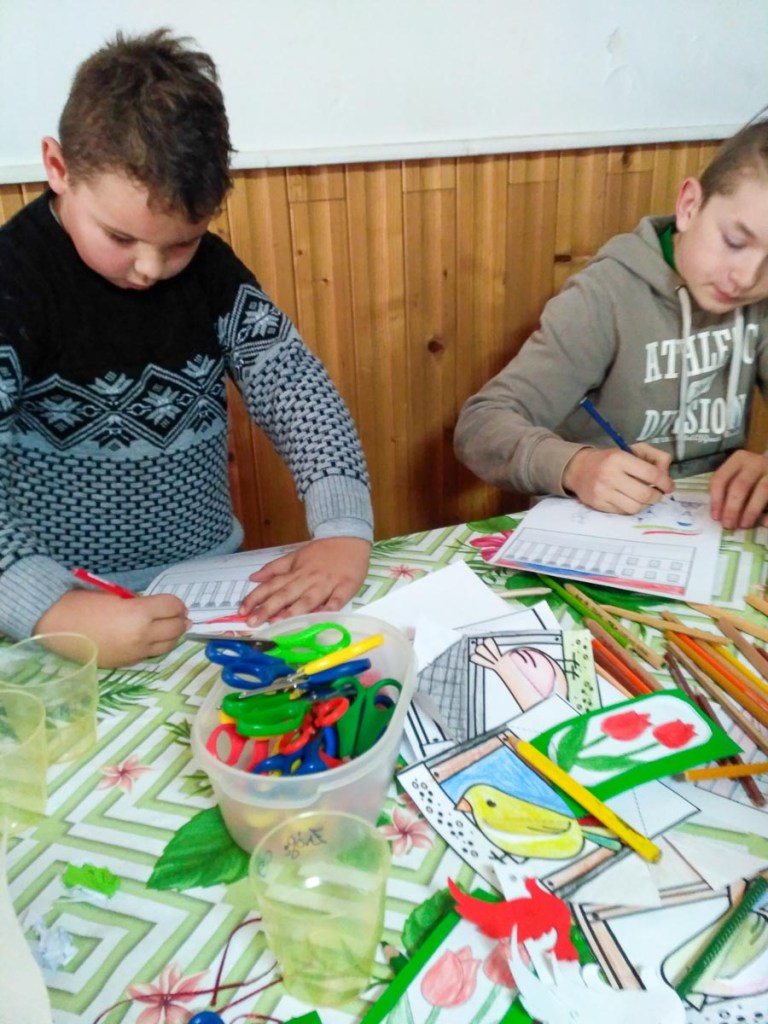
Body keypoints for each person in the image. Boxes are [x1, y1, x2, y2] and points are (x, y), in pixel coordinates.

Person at [0, 29, 373, 667]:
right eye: (120, 237)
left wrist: (344, 529)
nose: (151, 268)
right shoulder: (15, 280)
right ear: (58, 169)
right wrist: (47, 606)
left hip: (209, 590)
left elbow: (295, 386)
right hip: (57, 613)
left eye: (181, 242)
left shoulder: (211, 275)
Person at [454, 110, 768, 530]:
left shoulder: (760, 299)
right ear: (690, 206)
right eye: (734, 241)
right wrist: (576, 466)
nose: (746, 278)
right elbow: (480, 426)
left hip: (711, 528)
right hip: (596, 527)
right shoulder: (604, 296)